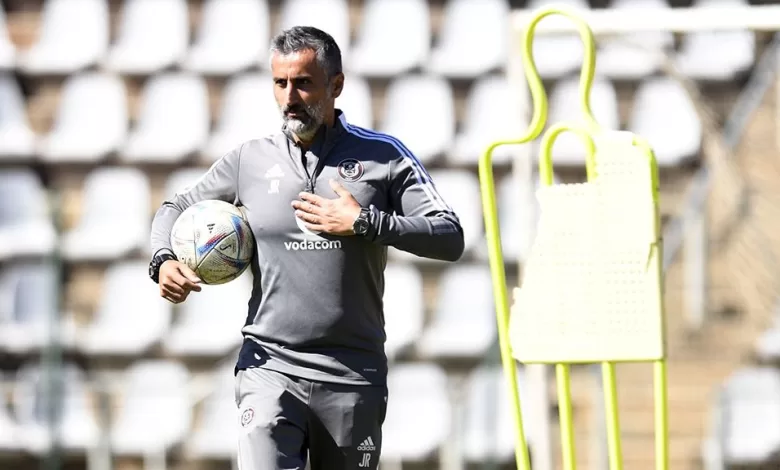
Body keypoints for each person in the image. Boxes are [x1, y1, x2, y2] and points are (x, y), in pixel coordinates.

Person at [147, 26, 464, 470]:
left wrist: (365, 222)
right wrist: (162, 260)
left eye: (303, 83)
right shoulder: (249, 160)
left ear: (336, 85)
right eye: (281, 83)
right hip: (269, 368)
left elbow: (450, 236)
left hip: (352, 375)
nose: (290, 97)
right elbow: (175, 206)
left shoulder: (384, 157)